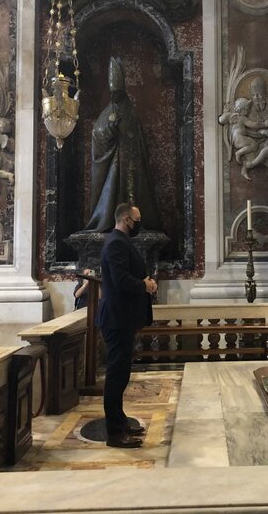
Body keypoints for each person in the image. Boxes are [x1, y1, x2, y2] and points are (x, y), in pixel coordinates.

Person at [98, 203, 157, 448]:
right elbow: (120, 279)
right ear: (125, 218)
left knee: (122, 374)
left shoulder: (120, 242)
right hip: (117, 317)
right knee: (115, 375)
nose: (139, 223)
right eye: (137, 218)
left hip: (122, 317)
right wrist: (144, 285)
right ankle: (114, 432)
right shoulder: (116, 243)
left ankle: (120, 422)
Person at [84, 58, 161, 232]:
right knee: (111, 193)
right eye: (113, 93)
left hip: (131, 163)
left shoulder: (130, 111)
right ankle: (110, 221)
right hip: (113, 164)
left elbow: (136, 136)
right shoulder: (109, 111)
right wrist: (110, 131)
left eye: (118, 93)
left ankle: (135, 223)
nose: (115, 96)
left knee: (133, 193)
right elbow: (97, 132)